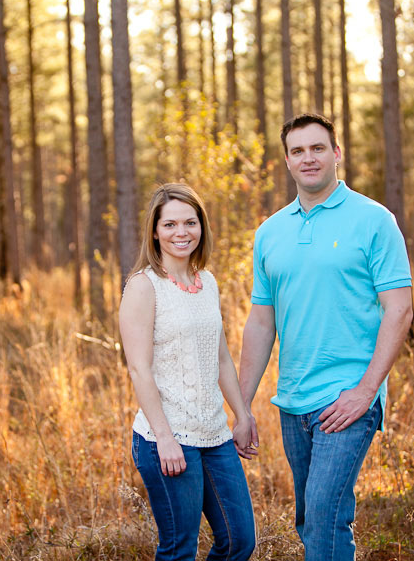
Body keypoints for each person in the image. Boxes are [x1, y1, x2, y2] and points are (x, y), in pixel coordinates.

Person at [236, 113, 413, 561]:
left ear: (337, 154)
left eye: (318, 148)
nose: (308, 158)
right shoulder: (270, 232)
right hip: (293, 401)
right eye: (298, 151)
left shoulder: (374, 220)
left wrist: (366, 392)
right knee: (309, 517)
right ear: (288, 162)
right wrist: (242, 406)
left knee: (323, 514)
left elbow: (400, 309)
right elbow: (261, 322)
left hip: (348, 397)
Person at [120, 183, 256, 561]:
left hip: (215, 435)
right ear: (155, 231)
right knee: (180, 549)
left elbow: (221, 359)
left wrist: (242, 415)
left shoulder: (207, 282)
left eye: (190, 223)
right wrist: (164, 438)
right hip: (167, 438)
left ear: (201, 227)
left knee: (239, 540)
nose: (181, 232)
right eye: (170, 224)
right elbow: (139, 369)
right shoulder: (144, 286)